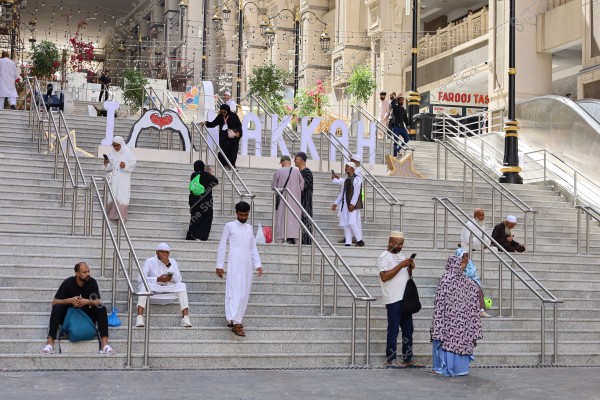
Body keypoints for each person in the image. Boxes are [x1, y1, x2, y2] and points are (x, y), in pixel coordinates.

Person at [40, 262, 115, 355]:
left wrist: (87, 301)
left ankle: (104, 345)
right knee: (57, 308)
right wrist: (70, 300)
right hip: (69, 317)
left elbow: (98, 301)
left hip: (86, 316)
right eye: (84, 272)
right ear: (77, 273)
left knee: (101, 308)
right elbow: (54, 302)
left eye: (88, 271)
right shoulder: (68, 282)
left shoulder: (92, 282)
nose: (88, 274)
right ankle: (50, 343)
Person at [430, 250, 483, 377]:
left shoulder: (446, 279)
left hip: (447, 320)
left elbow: (439, 302)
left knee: (446, 341)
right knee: (460, 339)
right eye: (462, 264)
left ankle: (442, 367)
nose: (463, 267)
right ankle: (459, 369)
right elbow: (475, 294)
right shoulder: (467, 282)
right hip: (461, 322)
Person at [216, 201, 263, 337]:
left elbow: (253, 247)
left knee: (244, 293)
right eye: (241, 214)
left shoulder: (249, 228)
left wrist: (257, 264)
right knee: (235, 291)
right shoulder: (229, 226)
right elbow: (222, 245)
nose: (243, 217)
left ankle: (234, 318)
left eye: (246, 215)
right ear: (236, 213)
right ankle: (237, 323)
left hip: (247, 265)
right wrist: (219, 265)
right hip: (234, 264)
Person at [378, 231, 421, 367]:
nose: (400, 246)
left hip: (405, 299)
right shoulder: (383, 257)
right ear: (390, 242)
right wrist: (401, 265)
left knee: (408, 330)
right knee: (393, 330)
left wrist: (409, 267)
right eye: (398, 243)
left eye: (402, 244)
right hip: (393, 298)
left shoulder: (401, 256)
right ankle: (391, 359)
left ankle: (407, 359)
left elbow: (406, 275)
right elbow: (384, 277)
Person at [135, 243, 192, 328]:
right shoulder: (150, 261)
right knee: (144, 285)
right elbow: (140, 278)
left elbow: (178, 280)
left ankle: (186, 318)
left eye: (167, 252)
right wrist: (157, 279)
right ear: (157, 252)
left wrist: (168, 265)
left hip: (167, 288)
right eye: (162, 252)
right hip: (153, 289)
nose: (165, 254)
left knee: (182, 285)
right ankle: (139, 317)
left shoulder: (172, 262)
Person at [272, 155, 304, 244]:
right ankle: (296, 239)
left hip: (282, 199)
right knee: (295, 219)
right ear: (289, 162)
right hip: (295, 200)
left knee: (281, 218)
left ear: (282, 162)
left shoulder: (278, 171)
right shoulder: (297, 171)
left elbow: (273, 186)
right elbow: (302, 185)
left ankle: (280, 239)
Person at [103, 136, 137, 220]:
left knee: (122, 196)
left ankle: (121, 215)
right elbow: (109, 167)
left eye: (117, 145)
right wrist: (105, 163)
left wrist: (125, 166)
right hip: (114, 179)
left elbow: (133, 164)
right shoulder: (112, 153)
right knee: (113, 194)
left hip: (123, 179)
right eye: (114, 145)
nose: (115, 147)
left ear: (121, 144)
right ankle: (113, 214)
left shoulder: (128, 152)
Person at [332, 154, 363, 244]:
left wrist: (353, 203)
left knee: (353, 221)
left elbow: (356, 190)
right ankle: (349, 240)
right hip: (347, 200)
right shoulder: (349, 176)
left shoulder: (358, 173)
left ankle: (358, 239)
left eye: (351, 160)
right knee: (347, 221)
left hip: (354, 201)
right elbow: (346, 184)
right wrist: (337, 179)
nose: (346, 169)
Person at [201, 104, 242, 169]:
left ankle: (231, 164)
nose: (223, 113)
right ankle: (224, 164)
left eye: (224, 112)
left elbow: (239, 125)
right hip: (223, 137)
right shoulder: (220, 116)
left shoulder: (234, 116)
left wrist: (239, 133)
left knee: (233, 151)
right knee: (223, 150)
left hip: (233, 137)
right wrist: (206, 123)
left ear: (227, 110)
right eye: (221, 112)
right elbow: (213, 123)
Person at [186, 160, 219, 241]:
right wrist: (210, 174)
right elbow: (215, 181)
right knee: (206, 218)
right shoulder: (206, 175)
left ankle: (192, 234)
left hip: (194, 200)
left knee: (195, 217)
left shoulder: (193, 175)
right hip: (205, 201)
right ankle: (202, 236)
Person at [455, 248, 491, 318]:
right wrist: (461, 268)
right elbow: (456, 274)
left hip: (471, 280)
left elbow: (472, 273)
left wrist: (464, 269)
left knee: (477, 288)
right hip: (460, 282)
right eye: (463, 256)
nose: (465, 258)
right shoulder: (455, 263)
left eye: (466, 256)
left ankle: (481, 310)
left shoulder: (469, 262)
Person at [294, 151, 313, 245]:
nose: (294, 160)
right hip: (298, 203)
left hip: (305, 204)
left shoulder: (307, 172)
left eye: (296, 158)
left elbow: (304, 185)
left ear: (301, 159)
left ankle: (306, 244)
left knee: (306, 224)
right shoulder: (298, 172)